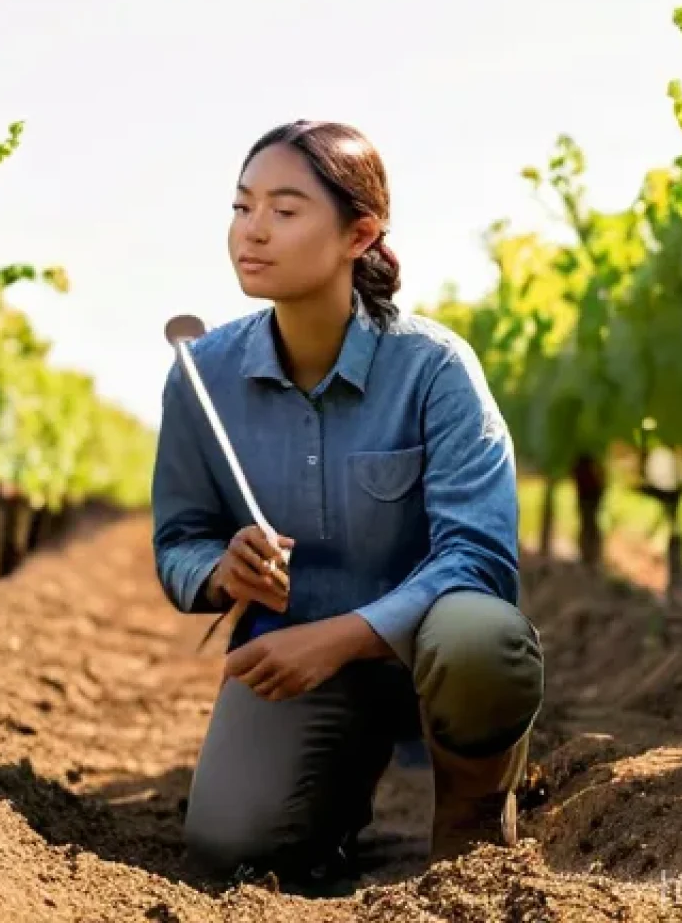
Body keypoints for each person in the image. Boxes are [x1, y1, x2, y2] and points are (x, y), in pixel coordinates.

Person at [152, 119, 544, 883]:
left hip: (425, 649)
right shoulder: (201, 374)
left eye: (285, 210)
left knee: (481, 641)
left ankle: (470, 814)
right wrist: (224, 572)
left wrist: (340, 635)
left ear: (359, 233)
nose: (251, 231)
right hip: (298, 666)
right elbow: (180, 539)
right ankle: (334, 802)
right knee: (231, 850)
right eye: (241, 207)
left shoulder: (434, 369)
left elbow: (480, 557)